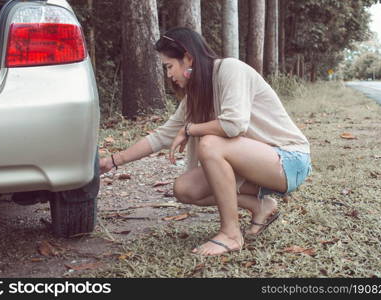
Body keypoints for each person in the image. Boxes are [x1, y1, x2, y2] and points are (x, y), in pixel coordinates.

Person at [100, 27, 311, 256]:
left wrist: (191, 129)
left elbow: (233, 124)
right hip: (255, 166)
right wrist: (113, 161)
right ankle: (261, 206)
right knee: (185, 189)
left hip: (289, 161)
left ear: (188, 58)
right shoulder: (197, 96)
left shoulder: (230, 69)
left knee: (210, 143)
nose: (169, 75)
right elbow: (162, 136)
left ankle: (231, 234)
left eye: (169, 66)